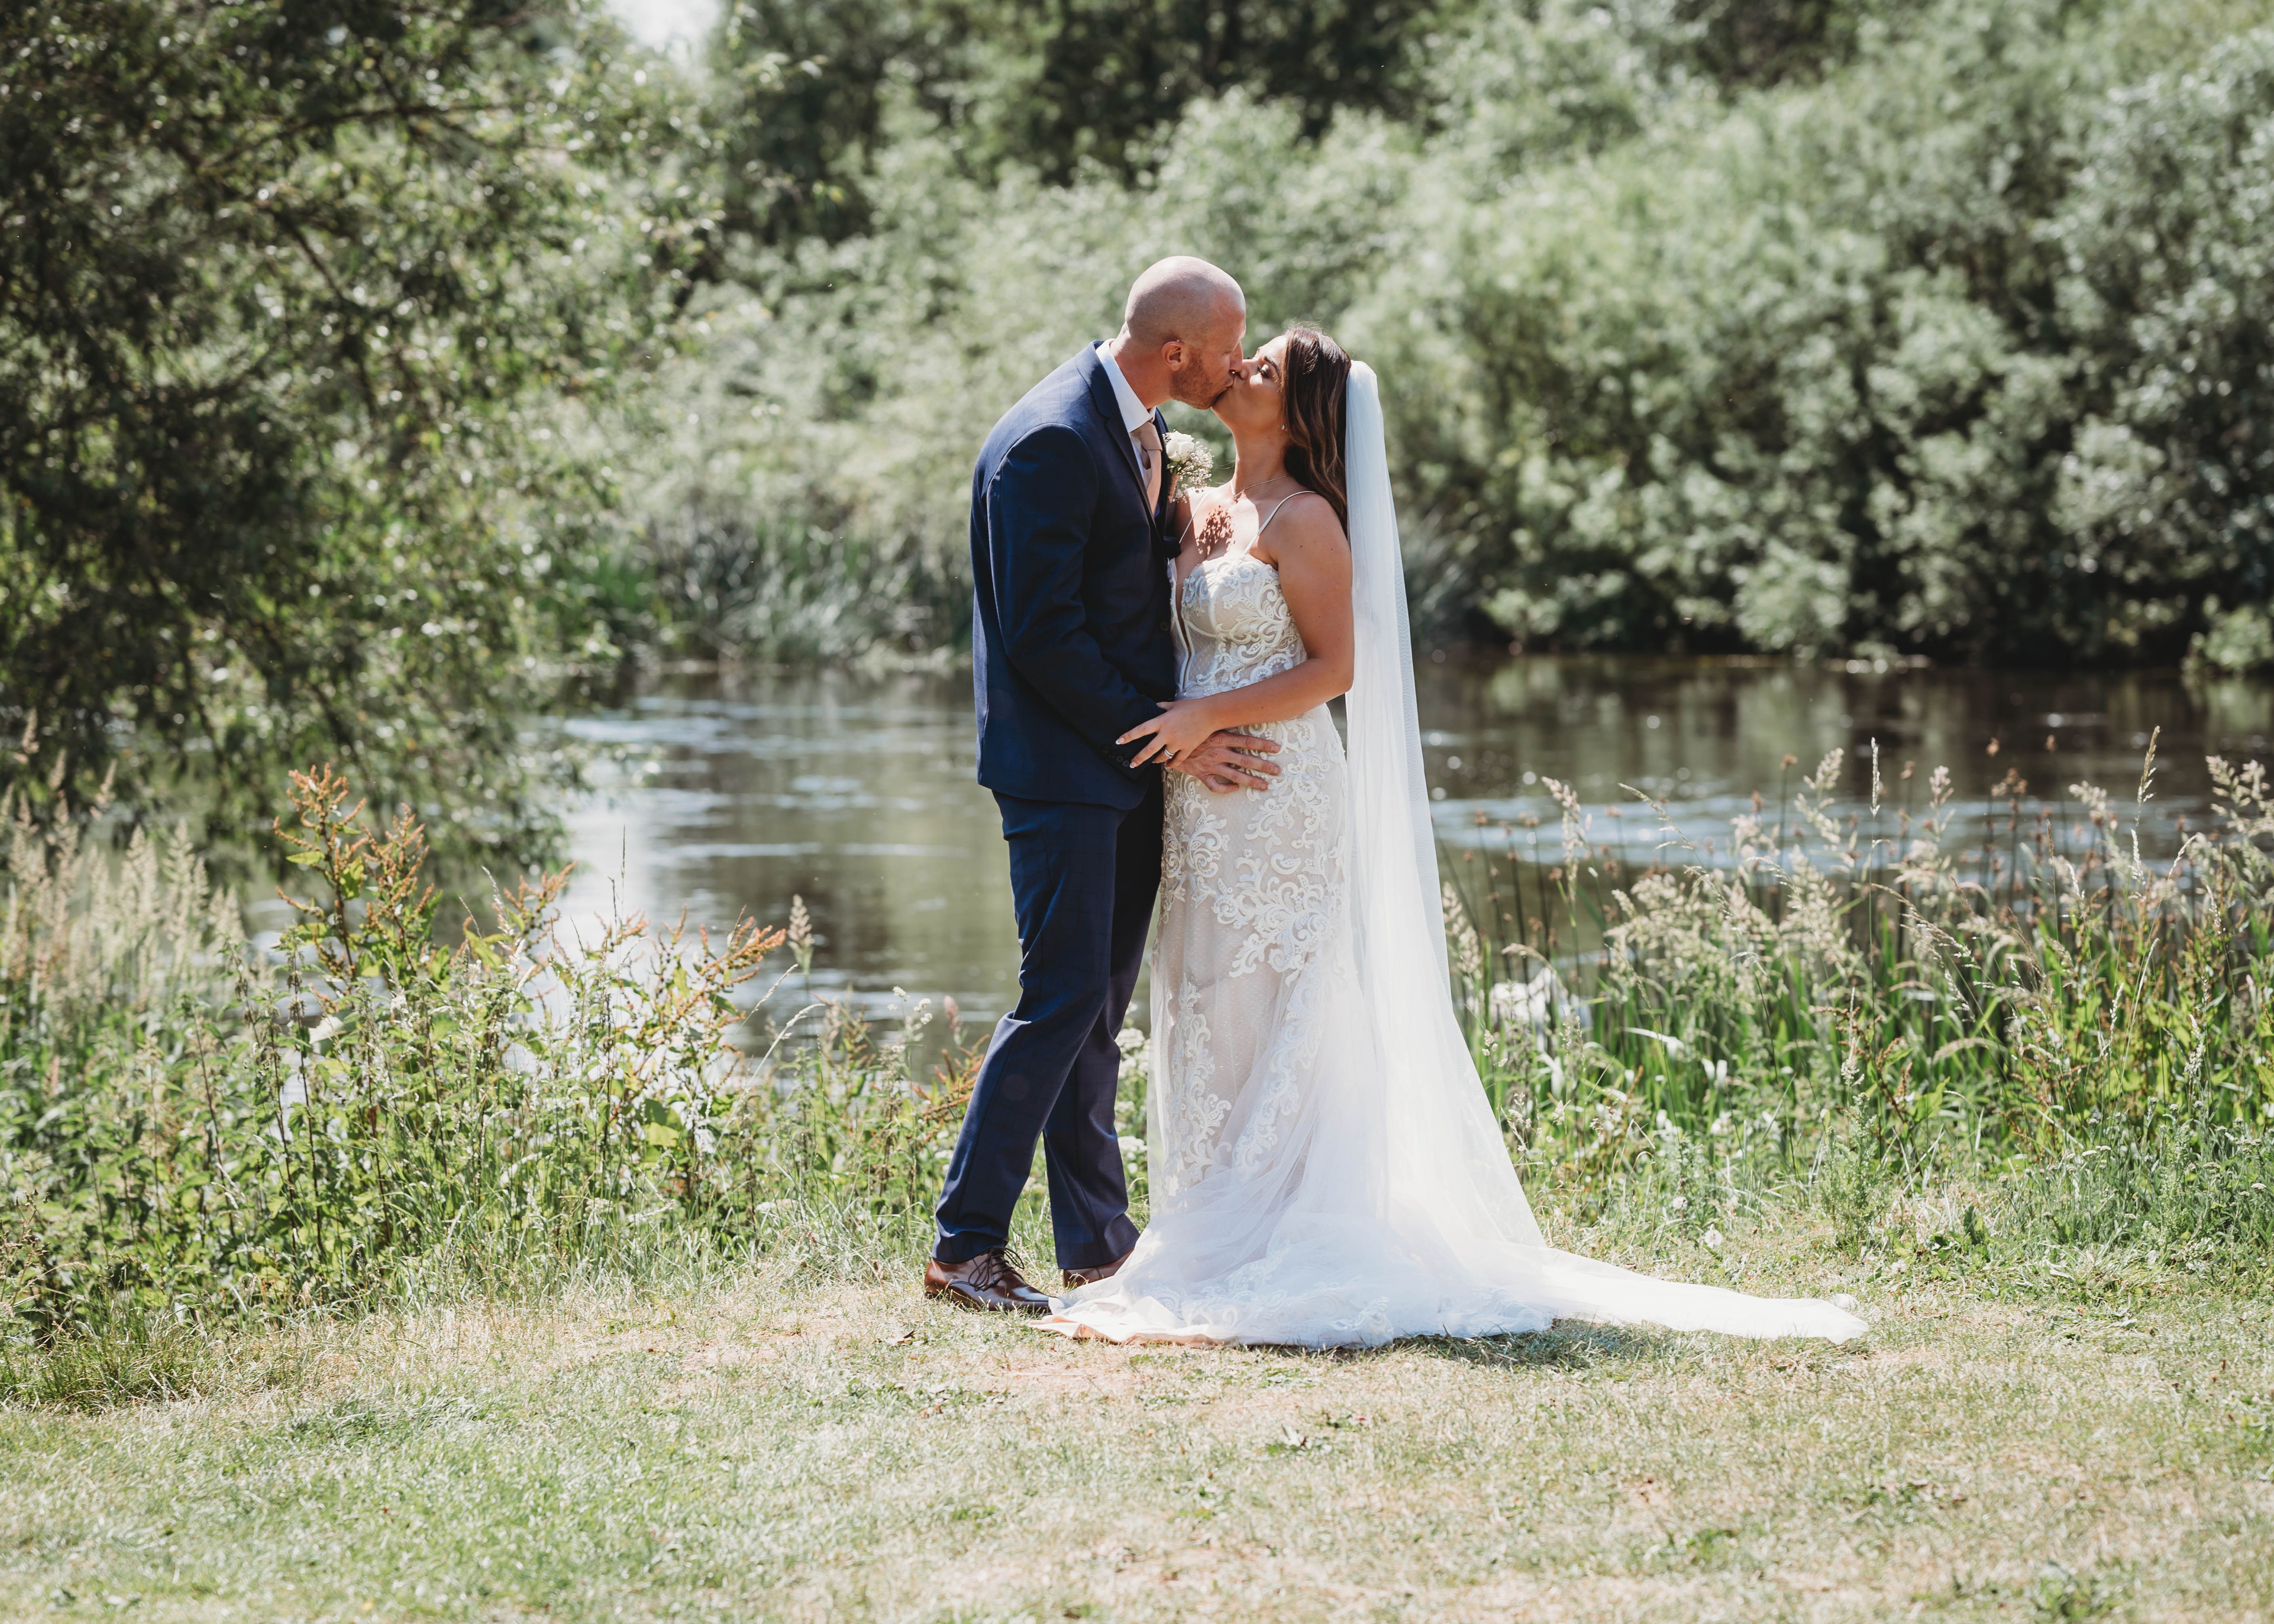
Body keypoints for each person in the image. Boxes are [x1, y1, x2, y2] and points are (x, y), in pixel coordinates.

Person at [1038, 326, 1866, 1346]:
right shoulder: (1196, 507)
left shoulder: (1308, 523)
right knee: (1204, 988)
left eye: (1266, 370)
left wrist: (1208, 719)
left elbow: (1334, 669)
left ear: (1302, 415)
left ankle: (1285, 1226)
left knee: (1283, 988)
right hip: (1202, 797)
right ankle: (1208, 1216)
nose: (1243, 369)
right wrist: (1186, 727)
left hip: (1282, 789)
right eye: (1249, 360)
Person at [927, 257, 1283, 1312]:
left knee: (1094, 1010)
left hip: (1119, 766)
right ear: (1179, 351)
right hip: (1063, 772)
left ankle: (1096, 1246)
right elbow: (1044, 638)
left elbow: (1116, 595)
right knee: (1060, 1001)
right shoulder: (1048, 436)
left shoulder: (1132, 431)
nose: (1237, 359)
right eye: (1230, 342)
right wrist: (1172, 738)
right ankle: (963, 1249)